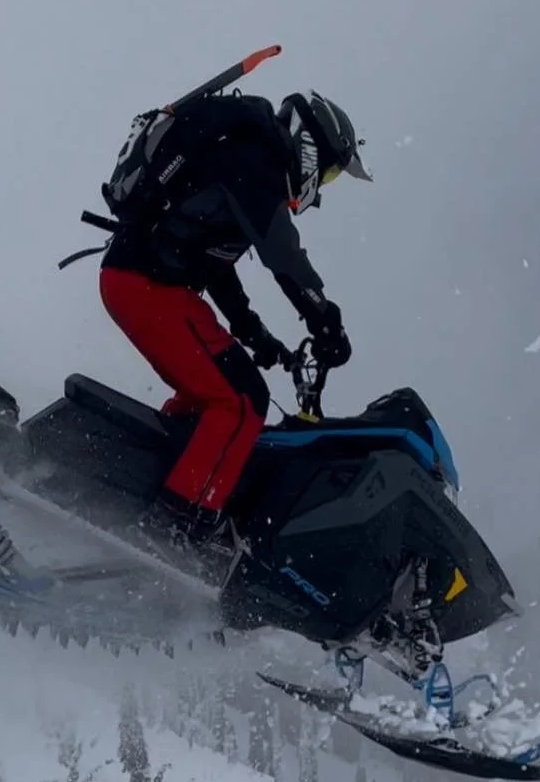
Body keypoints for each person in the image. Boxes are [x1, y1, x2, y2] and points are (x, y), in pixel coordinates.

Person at [98, 88, 371, 556]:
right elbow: (281, 253)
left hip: (148, 284)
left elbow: (218, 267)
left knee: (210, 398)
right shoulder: (256, 158)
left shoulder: (243, 163)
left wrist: (257, 337)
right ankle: (175, 527)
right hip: (145, 286)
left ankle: (140, 485)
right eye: (326, 173)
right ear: (310, 147)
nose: (321, 187)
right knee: (243, 400)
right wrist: (324, 318)